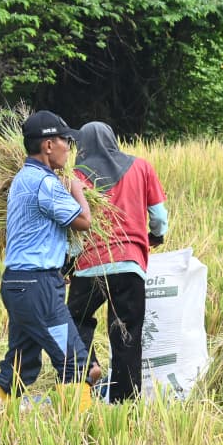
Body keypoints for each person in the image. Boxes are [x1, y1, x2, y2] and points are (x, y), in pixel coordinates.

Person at [0, 110, 99, 412]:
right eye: (65, 141)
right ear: (48, 145)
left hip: (17, 284)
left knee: (20, 364)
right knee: (74, 360)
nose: (69, 148)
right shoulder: (44, 183)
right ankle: (79, 431)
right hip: (38, 287)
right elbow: (84, 221)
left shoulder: (22, 178)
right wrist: (76, 189)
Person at [66, 121, 168, 403]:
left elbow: (74, 230)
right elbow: (159, 216)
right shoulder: (141, 167)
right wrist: (155, 236)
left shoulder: (75, 177)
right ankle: (124, 406)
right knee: (127, 335)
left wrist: (69, 264)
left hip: (89, 267)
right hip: (129, 266)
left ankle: (88, 368)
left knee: (73, 320)